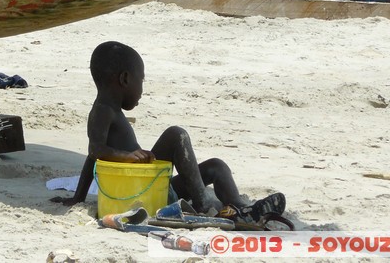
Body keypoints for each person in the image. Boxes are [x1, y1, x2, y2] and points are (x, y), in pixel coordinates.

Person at [51, 41, 285, 223]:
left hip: (153, 186)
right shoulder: (102, 110)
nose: (142, 89)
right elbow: (95, 150)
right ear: (124, 79)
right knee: (175, 134)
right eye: (141, 80)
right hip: (141, 193)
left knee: (216, 166)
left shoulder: (110, 110)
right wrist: (127, 156)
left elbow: (92, 158)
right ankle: (204, 205)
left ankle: (240, 207)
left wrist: (78, 197)